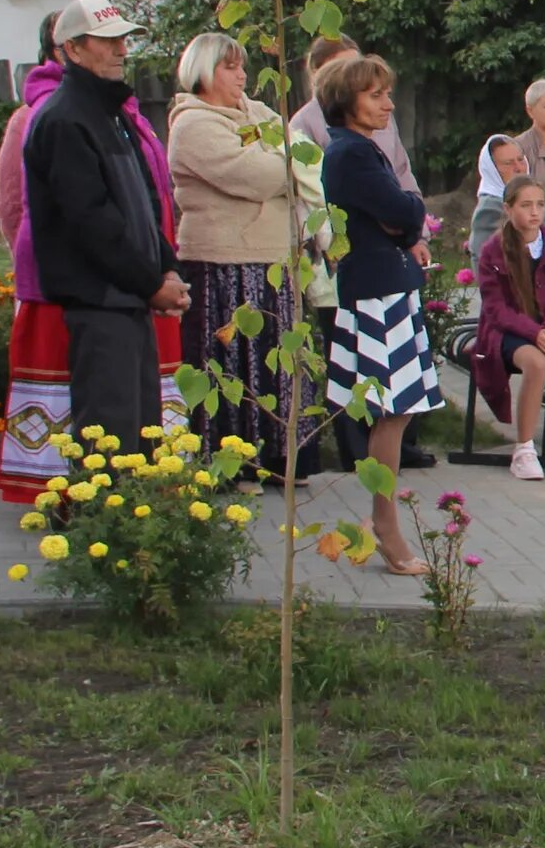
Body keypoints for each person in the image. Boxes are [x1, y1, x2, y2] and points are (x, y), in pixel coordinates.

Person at [0, 7, 182, 505]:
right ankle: (106, 544)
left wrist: (164, 264)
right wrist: (150, 281)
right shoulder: (62, 118)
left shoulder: (110, 113)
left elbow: (143, 200)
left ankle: (137, 545)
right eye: (106, 40)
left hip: (128, 297)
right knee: (109, 437)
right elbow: (93, 222)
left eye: (124, 39)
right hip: (99, 298)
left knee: (140, 432)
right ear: (72, 49)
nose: (122, 49)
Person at [318, 53, 436, 570]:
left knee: (400, 408)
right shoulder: (350, 154)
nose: (388, 103)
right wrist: (405, 218)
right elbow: (404, 208)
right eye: (375, 95)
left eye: (388, 93)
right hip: (375, 292)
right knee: (390, 411)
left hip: (389, 285)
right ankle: (385, 527)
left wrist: (405, 220)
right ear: (347, 101)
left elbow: (405, 212)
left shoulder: (362, 149)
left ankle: (380, 521)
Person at [167, 31, 298, 459]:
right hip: (222, 261)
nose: (241, 75)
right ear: (202, 71)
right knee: (230, 366)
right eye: (230, 66)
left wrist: (280, 161)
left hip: (270, 258)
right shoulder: (193, 125)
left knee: (270, 362)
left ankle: (278, 458)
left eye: (242, 66)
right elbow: (257, 175)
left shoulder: (255, 113)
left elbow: (302, 150)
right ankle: (232, 462)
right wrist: (283, 167)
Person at [476, 179, 545, 482]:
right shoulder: (492, 250)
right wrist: (533, 331)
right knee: (536, 364)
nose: (534, 212)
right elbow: (496, 309)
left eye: (539, 205)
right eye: (525, 205)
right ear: (508, 209)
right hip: (508, 331)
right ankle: (523, 449)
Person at [289, 34, 422, 192]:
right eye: (341, 67)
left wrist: (416, 209)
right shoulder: (303, 123)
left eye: (356, 66)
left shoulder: (380, 112)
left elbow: (401, 170)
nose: (350, 75)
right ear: (317, 72)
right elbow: (310, 184)